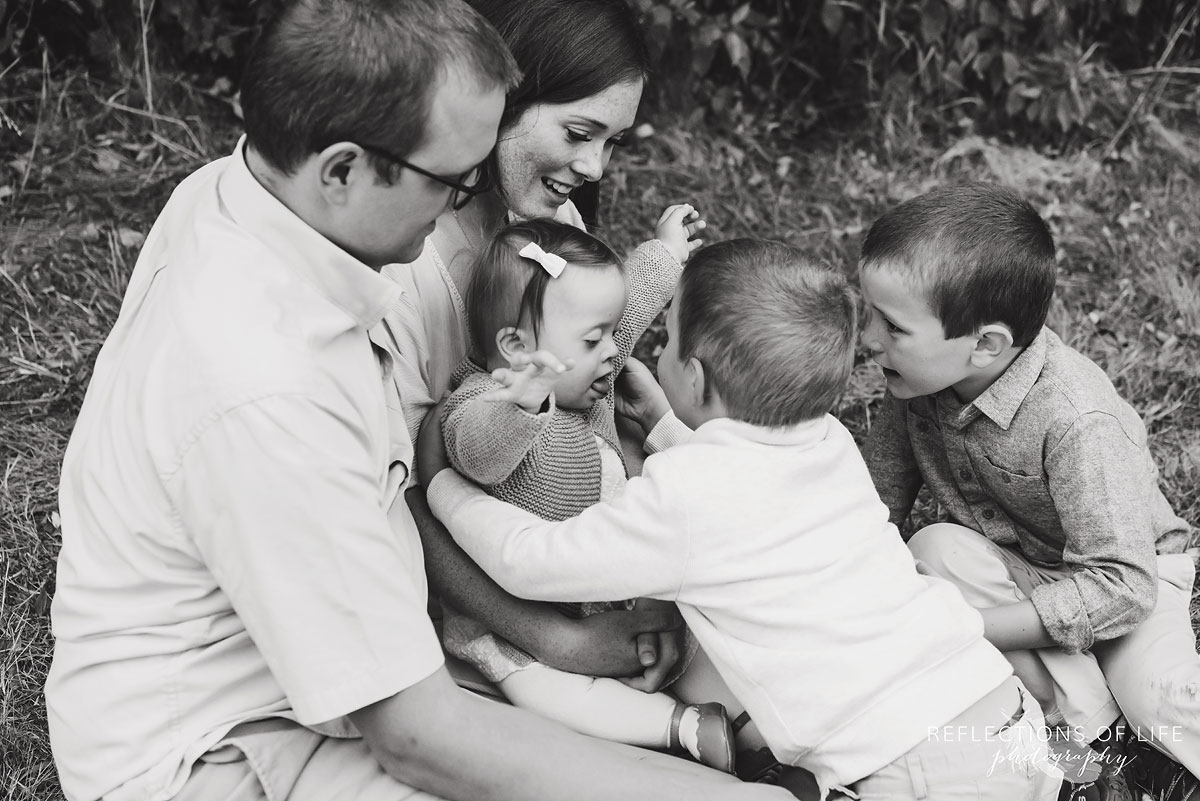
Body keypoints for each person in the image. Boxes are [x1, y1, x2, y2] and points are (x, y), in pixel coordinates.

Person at [43, 2, 787, 800]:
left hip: (351, 667)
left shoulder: (264, 201)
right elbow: (420, 735)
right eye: (452, 181)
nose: (463, 201)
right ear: (341, 171)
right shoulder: (266, 389)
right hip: (227, 738)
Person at [419, 239, 1063, 801]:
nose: (651, 349)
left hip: (912, 763)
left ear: (695, 379)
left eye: (665, 339)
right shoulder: (828, 441)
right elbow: (747, 494)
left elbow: (531, 561)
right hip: (995, 704)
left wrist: (445, 488)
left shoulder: (683, 502)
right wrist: (670, 427)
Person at [376, 0, 698, 697]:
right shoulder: (405, 264)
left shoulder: (550, 222)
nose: (594, 166)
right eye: (581, 132)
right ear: (504, 95)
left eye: (612, 142)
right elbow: (401, 498)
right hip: (484, 596)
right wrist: (559, 639)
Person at [858, 183, 1200, 801]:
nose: (868, 339)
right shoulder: (915, 384)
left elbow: (1125, 586)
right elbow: (872, 508)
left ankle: (1122, 713)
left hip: (1127, 586)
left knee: (1162, 697)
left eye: (893, 327)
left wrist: (968, 630)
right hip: (1021, 570)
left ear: (984, 344)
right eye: (869, 315)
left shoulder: (1076, 420)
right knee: (935, 547)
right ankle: (1092, 737)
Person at [438, 216, 731, 769]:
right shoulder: (481, 402)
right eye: (595, 341)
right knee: (541, 692)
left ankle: (727, 707)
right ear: (516, 348)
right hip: (528, 625)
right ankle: (680, 729)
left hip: (608, 587)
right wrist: (522, 402)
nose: (614, 353)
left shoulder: (584, 378)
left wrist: (665, 255)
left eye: (610, 334)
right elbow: (476, 453)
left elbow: (629, 301)